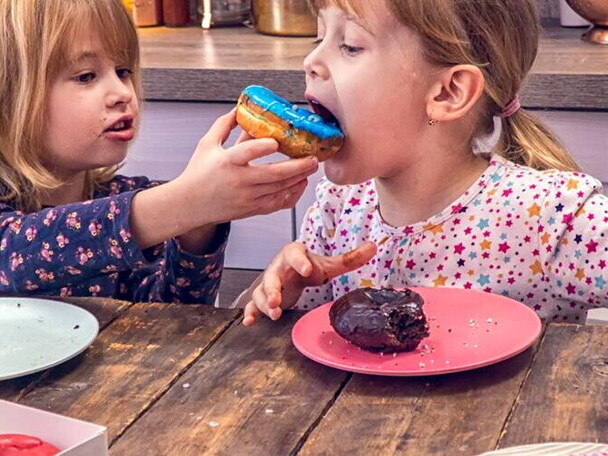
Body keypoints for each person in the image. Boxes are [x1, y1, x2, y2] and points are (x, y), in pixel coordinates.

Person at [238, 0, 608, 325]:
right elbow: (254, 334)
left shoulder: (551, 217)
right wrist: (280, 297)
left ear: (449, 92)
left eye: (350, 45)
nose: (311, 61)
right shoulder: (337, 208)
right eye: (320, 38)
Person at [0, 0, 318, 303]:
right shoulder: (147, 210)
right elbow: (19, 252)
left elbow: (172, 315)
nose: (122, 93)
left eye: (123, 71)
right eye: (86, 76)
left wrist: (199, 225)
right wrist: (185, 202)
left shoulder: (128, 197)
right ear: (9, 99)